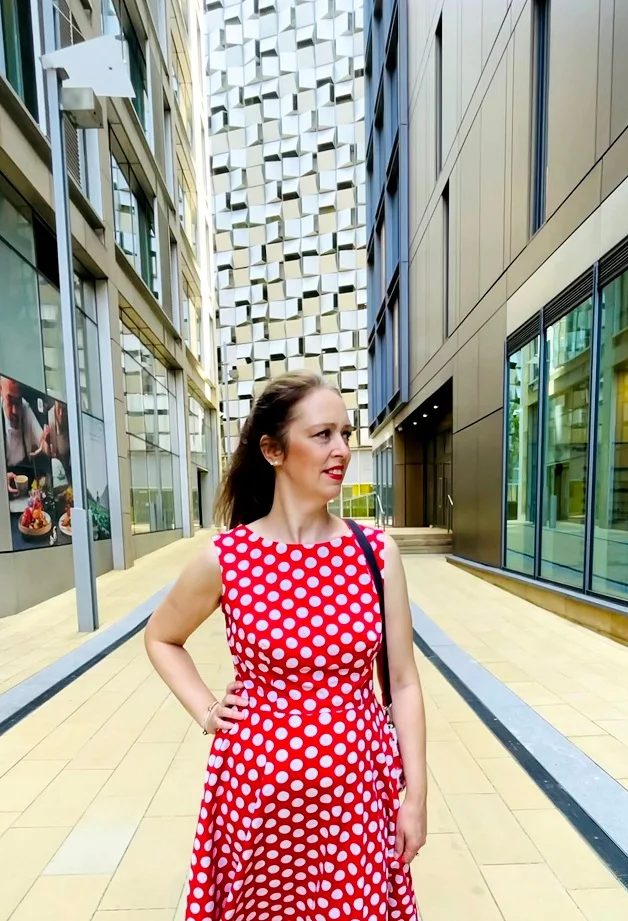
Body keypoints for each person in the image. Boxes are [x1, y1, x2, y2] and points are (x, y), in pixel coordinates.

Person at [145, 371, 426, 921]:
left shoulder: (374, 552)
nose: (341, 450)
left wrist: (414, 796)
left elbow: (404, 682)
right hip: (256, 801)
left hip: (357, 802)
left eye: (345, 434)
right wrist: (206, 710)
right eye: (322, 435)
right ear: (273, 449)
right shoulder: (227, 558)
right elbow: (161, 637)